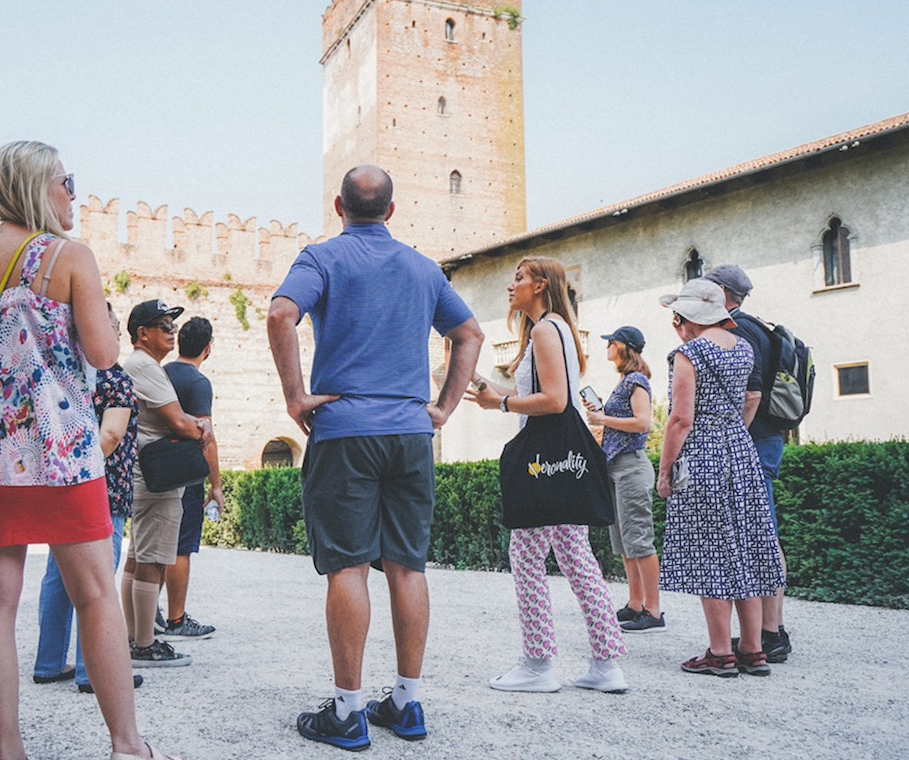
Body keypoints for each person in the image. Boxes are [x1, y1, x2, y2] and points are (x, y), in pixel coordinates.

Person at [0, 140, 171, 760]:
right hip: (61, 456)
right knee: (94, 594)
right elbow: (105, 355)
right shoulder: (68, 257)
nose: (74, 194)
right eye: (66, 182)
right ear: (38, 187)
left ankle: (9, 750)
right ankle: (126, 745)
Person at [270, 165, 482, 750]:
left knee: (349, 567)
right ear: (392, 211)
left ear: (339, 206)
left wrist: (294, 397)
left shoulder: (320, 259)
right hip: (411, 433)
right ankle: (408, 704)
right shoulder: (423, 268)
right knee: (408, 567)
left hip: (345, 431)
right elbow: (469, 335)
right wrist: (442, 408)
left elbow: (279, 313)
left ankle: (347, 712)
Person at [466, 257, 629, 695]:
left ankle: (538, 664)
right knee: (577, 559)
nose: (510, 285)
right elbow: (535, 395)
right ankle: (606, 662)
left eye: (518, 278)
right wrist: (488, 390)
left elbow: (555, 401)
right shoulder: (557, 328)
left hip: (545, 463)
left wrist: (500, 405)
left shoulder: (542, 330)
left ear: (540, 286)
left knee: (526, 556)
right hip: (566, 462)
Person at [656, 278, 785, 678]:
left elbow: (680, 419)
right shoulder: (743, 348)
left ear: (685, 317)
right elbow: (751, 398)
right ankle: (752, 650)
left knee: (711, 551)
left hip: (704, 455)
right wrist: (733, 431)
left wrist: (664, 472)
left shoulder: (688, 353)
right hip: (740, 451)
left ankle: (719, 652)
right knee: (744, 549)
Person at [34, 302, 144, 693]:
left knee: (58, 576)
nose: (116, 333)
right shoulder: (114, 378)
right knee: (97, 580)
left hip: (60, 486)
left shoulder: (60, 374)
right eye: (112, 326)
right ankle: (91, 670)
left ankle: (48, 662)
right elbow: (111, 435)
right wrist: (86, 470)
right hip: (101, 490)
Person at [703, 263, 792, 663]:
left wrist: (730, 440)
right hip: (766, 440)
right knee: (760, 533)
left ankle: (769, 635)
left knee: (761, 535)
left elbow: (750, 394)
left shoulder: (739, 329)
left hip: (753, 442)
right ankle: (767, 633)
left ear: (722, 292)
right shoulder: (755, 326)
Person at [120, 299, 213, 669]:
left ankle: (133, 637)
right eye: (163, 326)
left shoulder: (142, 366)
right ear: (143, 334)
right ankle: (144, 645)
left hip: (144, 474)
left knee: (138, 559)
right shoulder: (145, 367)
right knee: (153, 562)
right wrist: (200, 428)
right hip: (158, 479)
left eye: (173, 326)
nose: (172, 331)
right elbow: (178, 423)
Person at [582, 325, 664, 633]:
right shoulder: (624, 382)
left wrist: (603, 418)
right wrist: (603, 412)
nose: (607, 346)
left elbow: (643, 423)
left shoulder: (637, 381)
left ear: (623, 348)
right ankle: (635, 604)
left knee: (639, 540)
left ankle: (654, 612)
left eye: (611, 342)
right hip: (615, 467)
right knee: (625, 542)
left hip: (631, 467)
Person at [161, 316, 223, 639]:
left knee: (156, 545)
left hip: (157, 470)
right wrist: (216, 486)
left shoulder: (162, 373)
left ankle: (150, 615)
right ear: (207, 348)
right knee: (181, 547)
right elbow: (206, 436)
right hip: (185, 474)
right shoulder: (199, 383)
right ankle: (176, 618)